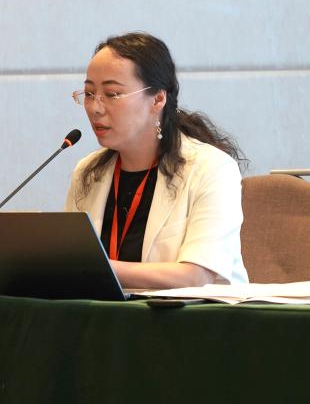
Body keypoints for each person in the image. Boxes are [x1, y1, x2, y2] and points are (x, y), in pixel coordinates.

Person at [65, 32, 249, 289]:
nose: (95, 108)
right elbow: (71, 267)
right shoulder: (88, 171)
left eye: (112, 94)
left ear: (158, 99)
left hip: (196, 312)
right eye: (88, 93)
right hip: (110, 312)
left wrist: (93, 267)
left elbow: (196, 276)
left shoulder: (212, 168)